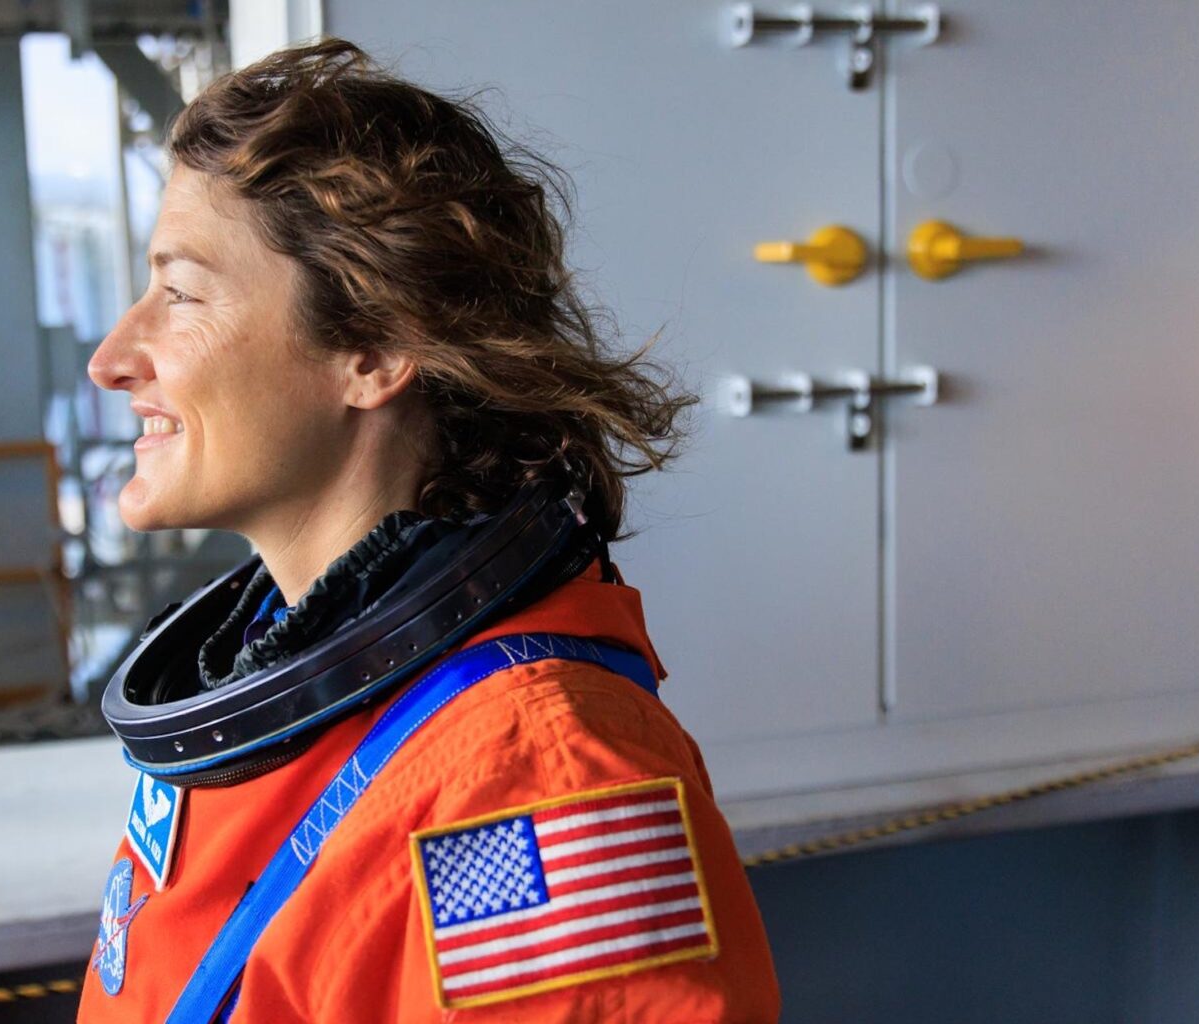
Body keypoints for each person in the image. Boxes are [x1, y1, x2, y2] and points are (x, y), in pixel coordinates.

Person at [79, 37, 781, 1023]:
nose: (114, 356)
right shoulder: (277, 693)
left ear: (371, 349)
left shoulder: (533, 791)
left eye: (181, 292)